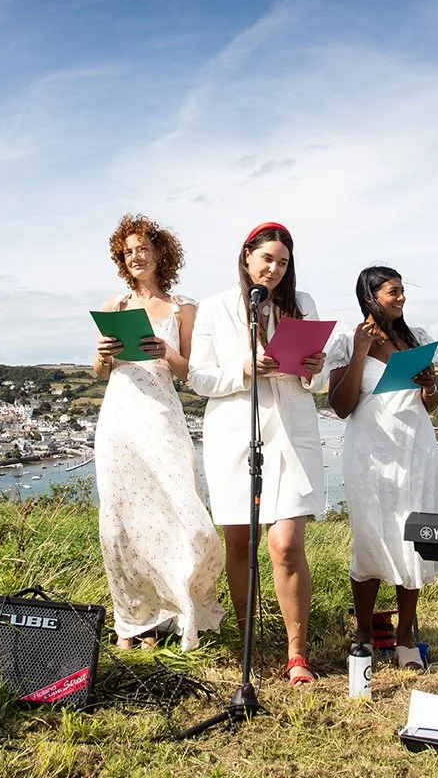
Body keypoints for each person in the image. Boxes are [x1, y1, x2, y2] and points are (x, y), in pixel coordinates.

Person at [188, 222, 329, 686]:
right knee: (239, 543)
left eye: (283, 262)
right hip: (234, 433)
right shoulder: (213, 308)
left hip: (292, 429)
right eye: (267, 259)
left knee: (285, 543)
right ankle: (250, 641)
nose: (274, 268)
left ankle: (296, 653)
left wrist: (315, 368)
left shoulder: (301, 304)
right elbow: (199, 379)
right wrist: (246, 369)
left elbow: (318, 378)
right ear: (247, 257)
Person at [92, 214, 224, 651]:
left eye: (142, 248)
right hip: (118, 418)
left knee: (178, 512)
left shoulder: (184, 308)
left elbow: (192, 372)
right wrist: (102, 354)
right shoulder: (113, 308)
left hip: (162, 416)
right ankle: (133, 620)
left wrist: (166, 352)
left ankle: (176, 608)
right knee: (120, 523)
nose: (135, 256)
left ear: (161, 253)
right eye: (127, 251)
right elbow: (98, 373)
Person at [327, 265, 438, 672]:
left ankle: (406, 635)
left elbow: (430, 405)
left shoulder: (416, 339)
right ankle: (363, 633)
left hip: (415, 446)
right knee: (371, 536)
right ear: (370, 296)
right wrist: (360, 351)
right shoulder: (346, 341)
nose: (401, 298)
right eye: (393, 292)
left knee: (410, 537)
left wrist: (429, 386)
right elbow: (341, 407)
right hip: (370, 450)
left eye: (401, 292)